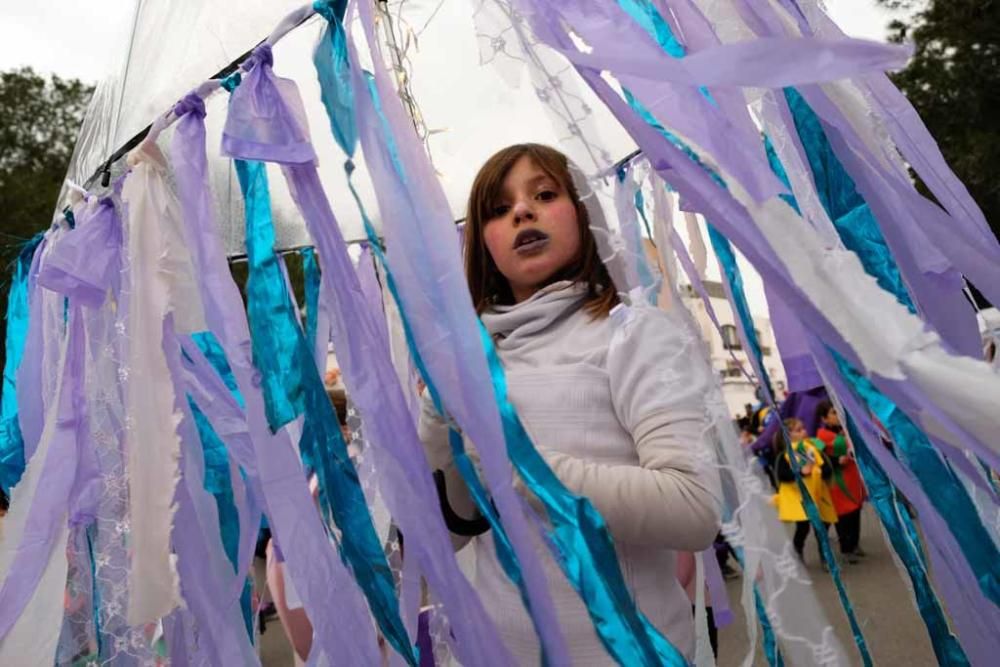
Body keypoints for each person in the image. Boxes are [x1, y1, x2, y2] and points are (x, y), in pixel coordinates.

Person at [420, 143, 720, 663]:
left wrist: (523, 467)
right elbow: (448, 540)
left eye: (544, 194)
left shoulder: (633, 333)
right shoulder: (473, 361)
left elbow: (693, 510)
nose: (522, 211)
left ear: (583, 212)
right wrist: (436, 425)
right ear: (483, 243)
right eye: (498, 208)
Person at [772, 418, 837, 566]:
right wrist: (801, 472)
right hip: (799, 497)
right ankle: (797, 550)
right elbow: (783, 476)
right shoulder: (785, 455)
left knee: (822, 527)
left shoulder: (813, 449)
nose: (804, 432)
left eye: (803, 428)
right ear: (788, 436)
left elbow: (827, 468)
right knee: (803, 527)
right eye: (798, 430)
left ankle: (825, 556)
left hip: (817, 495)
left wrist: (820, 470)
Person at [814, 400, 866, 562]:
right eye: (833, 413)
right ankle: (846, 548)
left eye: (838, 411)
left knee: (856, 511)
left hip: (853, 478)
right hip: (837, 482)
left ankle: (854, 543)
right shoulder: (821, 436)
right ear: (824, 419)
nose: (837, 415)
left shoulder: (846, 430)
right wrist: (837, 461)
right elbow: (819, 459)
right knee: (844, 515)